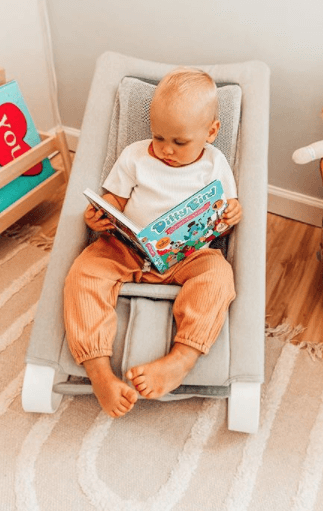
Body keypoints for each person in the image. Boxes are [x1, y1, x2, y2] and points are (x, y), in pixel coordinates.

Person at [63, 68, 242, 418]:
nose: (166, 150)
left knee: (219, 277)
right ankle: (99, 373)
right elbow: (113, 199)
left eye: (179, 142)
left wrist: (232, 214)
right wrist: (100, 216)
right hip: (126, 250)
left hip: (186, 256)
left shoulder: (214, 165)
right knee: (83, 274)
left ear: (211, 132)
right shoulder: (135, 156)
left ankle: (180, 359)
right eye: (158, 137)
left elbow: (224, 211)